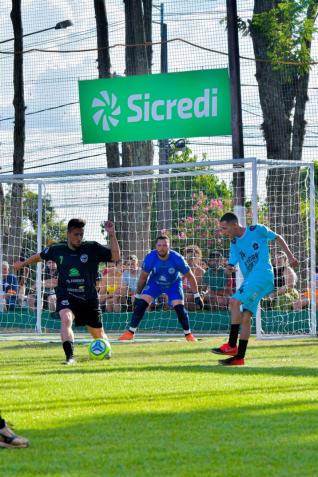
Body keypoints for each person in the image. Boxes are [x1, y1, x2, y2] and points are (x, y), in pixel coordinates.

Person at [14, 218, 120, 365]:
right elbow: (39, 256)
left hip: (89, 299)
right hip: (67, 295)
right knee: (66, 318)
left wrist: (112, 234)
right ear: (68, 234)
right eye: (76, 234)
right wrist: (23, 263)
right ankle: (70, 357)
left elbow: (115, 257)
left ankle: (104, 351)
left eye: (81, 234)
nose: (79, 238)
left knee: (100, 336)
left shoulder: (92, 248)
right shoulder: (57, 249)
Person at [211, 212, 298, 366]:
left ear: (235, 225)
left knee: (234, 301)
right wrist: (229, 268)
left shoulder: (256, 229)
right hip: (251, 279)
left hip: (262, 274)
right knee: (245, 316)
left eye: (224, 228)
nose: (223, 232)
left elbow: (277, 237)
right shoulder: (234, 242)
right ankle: (239, 358)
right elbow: (232, 261)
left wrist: (290, 256)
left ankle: (231, 345)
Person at [118, 235, 204, 342]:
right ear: (156, 246)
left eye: (164, 245)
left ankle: (188, 335)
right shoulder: (150, 257)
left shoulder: (178, 258)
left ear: (169, 246)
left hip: (173, 284)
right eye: (159, 245)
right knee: (141, 304)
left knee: (179, 309)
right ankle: (130, 332)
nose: (162, 248)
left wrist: (197, 295)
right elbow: (143, 278)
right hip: (155, 284)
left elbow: (190, 277)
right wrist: (138, 295)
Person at [182, 245, 205, 311]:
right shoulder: (180, 270)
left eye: (193, 257)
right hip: (182, 293)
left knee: (189, 297)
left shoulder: (201, 272)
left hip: (195, 295)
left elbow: (202, 289)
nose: (191, 259)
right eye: (189, 257)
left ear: (198, 257)